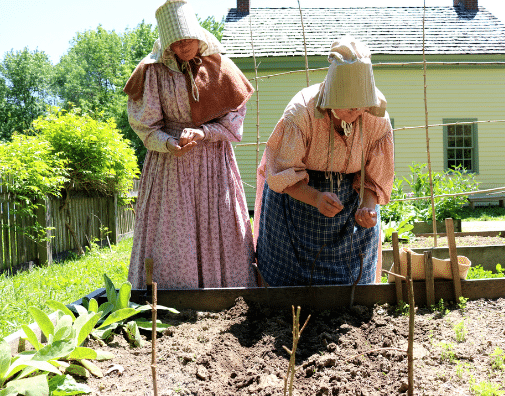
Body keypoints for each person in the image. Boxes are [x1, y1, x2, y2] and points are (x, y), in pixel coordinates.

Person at [123, 0, 256, 289]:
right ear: (167, 44)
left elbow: (233, 120)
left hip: (213, 164)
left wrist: (204, 132)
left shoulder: (219, 65)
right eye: (176, 42)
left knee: (219, 224)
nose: (183, 47)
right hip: (171, 166)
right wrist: (170, 143)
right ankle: (174, 298)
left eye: (188, 40)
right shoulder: (153, 72)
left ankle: (224, 294)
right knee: (174, 231)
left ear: (199, 36)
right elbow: (145, 126)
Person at [253, 36, 394, 287]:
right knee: (290, 283)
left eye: (362, 106)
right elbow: (283, 173)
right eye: (350, 108)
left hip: (349, 198)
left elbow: (374, 177)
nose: (358, 113)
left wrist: (368, 207)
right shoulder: (301, 113)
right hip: (297, 196)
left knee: (350, 282)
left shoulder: (377, 120)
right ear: (331, 100)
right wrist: (316, 197)